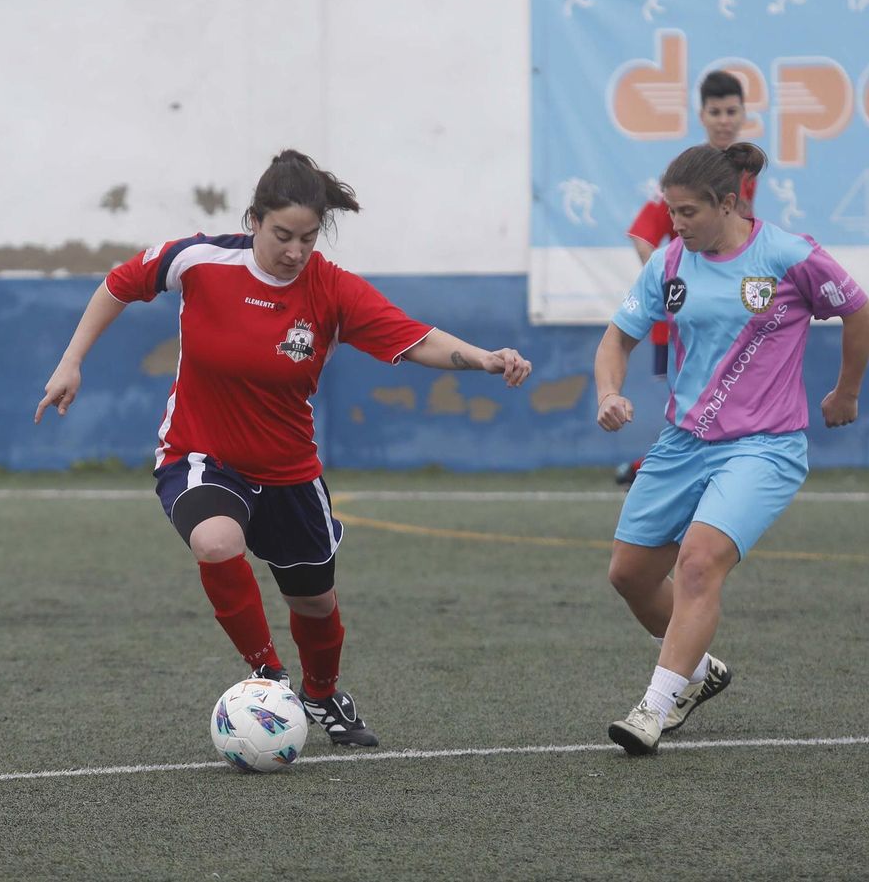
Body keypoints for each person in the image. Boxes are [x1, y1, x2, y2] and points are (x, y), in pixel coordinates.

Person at [35, 149, 532, 748]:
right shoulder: (200, 260)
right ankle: (269, 678)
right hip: (200, 454)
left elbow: (413, 338)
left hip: (289, 469)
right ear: (255, 220)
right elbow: (119, 284)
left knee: (315, 603)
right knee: (216, 541)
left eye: (308, 238)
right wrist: (71, 361)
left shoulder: (332, 290)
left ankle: (322, 693)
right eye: (282, 236)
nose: (295, 251)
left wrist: (483, 358)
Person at [594, 142, 869, 755]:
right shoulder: (669, 262)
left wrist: (846, 392)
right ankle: (697, 674)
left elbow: (860, 312)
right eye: (671, 211)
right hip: (682, 443)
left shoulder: (789, 255)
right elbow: (617, 338)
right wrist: (609, 392)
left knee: (698, 564)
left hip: (764, 447)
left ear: (728, 203)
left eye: (688, 212)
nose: (676, 224)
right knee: (630, 575)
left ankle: (654, 709)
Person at [617, 70, 760, 488]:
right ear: (702, 116)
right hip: (690, 318)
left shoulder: (744, 173)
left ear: (744, 114)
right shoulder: (689, 174)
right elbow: (643, 233)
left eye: (731, 111)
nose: (724, 120)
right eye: (715, 112)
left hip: (729, 312)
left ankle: (667, 469)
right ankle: (655, 469)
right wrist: (671, 284)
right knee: (695, 406)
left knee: (719, 401)